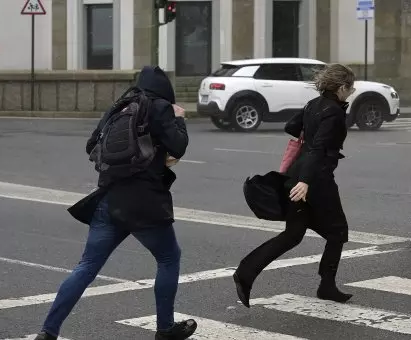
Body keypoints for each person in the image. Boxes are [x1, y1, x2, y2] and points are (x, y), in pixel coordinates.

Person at [34, 66, 197, 340]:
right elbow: (178, 146)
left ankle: (48, 332)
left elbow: (90, 146)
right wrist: (178, 119)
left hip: (108, 198)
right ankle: (165, 329)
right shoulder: (159, 107)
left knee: (86, 267)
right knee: (169, 258)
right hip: (144, 203)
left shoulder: (119, 107)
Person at [233, 63, 356, 307]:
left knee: (293, 234)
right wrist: (306, 181)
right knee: (338, 232)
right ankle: (327, 286)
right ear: (342, 87)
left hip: (295, 176)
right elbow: (319, 149)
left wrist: (307, 141)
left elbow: (291, 126)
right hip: (316, 181)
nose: (352, 92)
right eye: (351, 88)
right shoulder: (333, 111)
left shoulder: (314, 104)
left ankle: (246, 273)